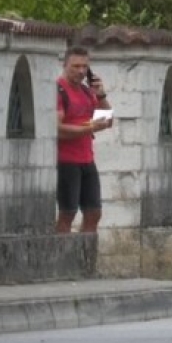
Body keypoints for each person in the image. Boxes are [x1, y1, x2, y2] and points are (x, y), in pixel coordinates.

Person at [56, 46, 112, 233]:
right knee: (67, 214)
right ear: (65, 65)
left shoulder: (87, 92)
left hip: (87, 160)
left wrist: (101, 95)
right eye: (76, 66)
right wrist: (90, 127)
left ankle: (86, 259)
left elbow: (108, 120)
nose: (80, 71)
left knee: (94, 213)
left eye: (84, 67)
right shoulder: (58, 90)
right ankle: (61, 257)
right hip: (65, 162)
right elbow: (58, 130)